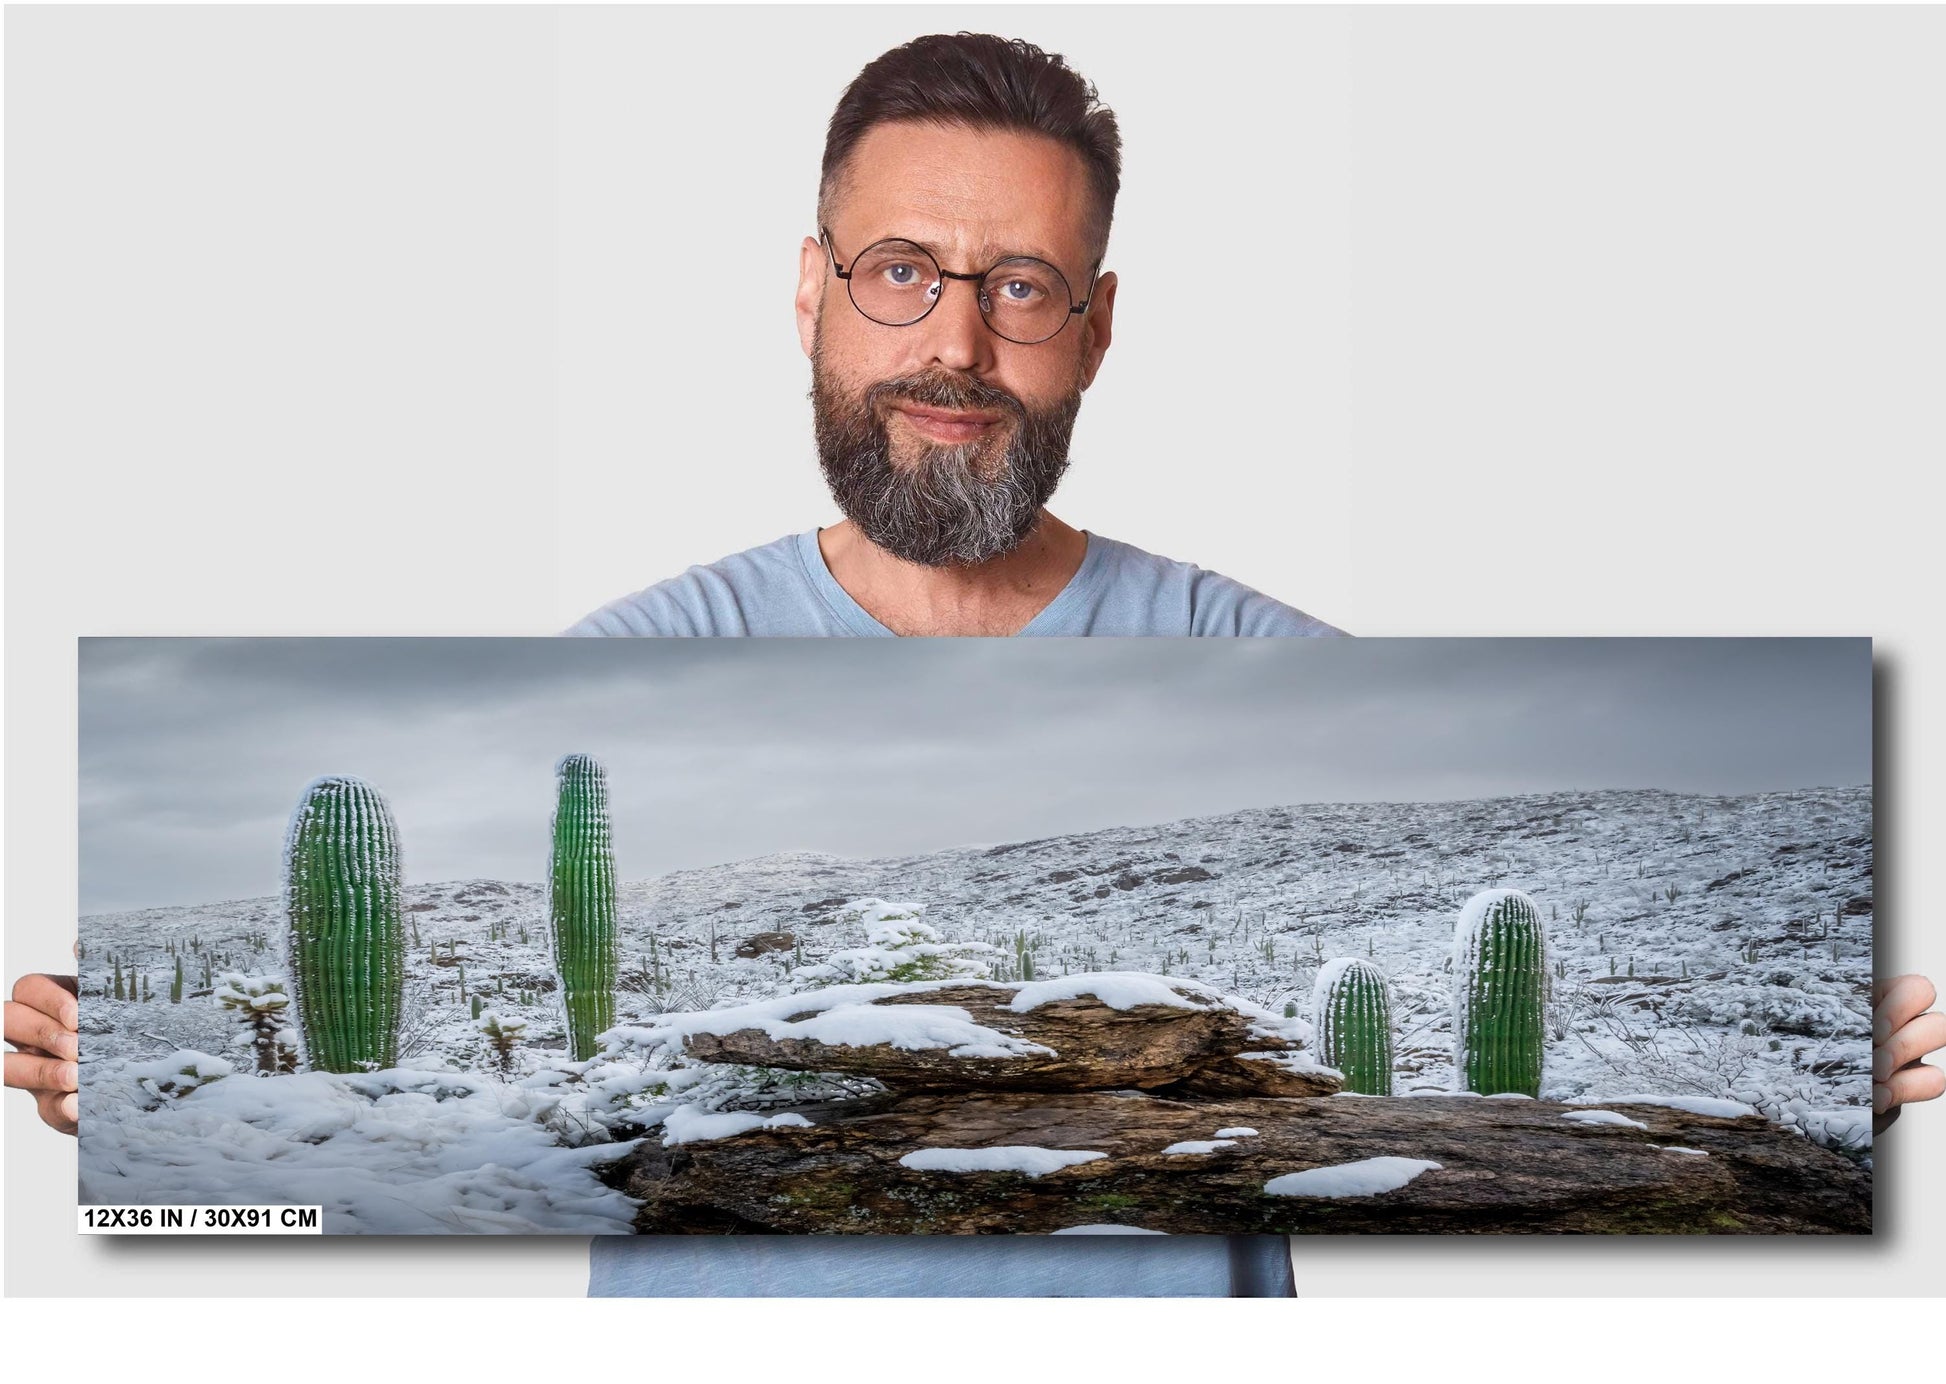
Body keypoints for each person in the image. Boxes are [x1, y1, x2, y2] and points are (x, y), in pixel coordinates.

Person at [10, 31, 1941, 1297]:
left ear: (1092, 329)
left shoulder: (1251, 656)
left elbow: (1433, 1115)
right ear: (810, 290)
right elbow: (328, 1188)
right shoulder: (622, 665)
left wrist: (1850, 1092)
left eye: (1019, 287)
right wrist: (149, 1132)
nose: (955, 343)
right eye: (901, 270)